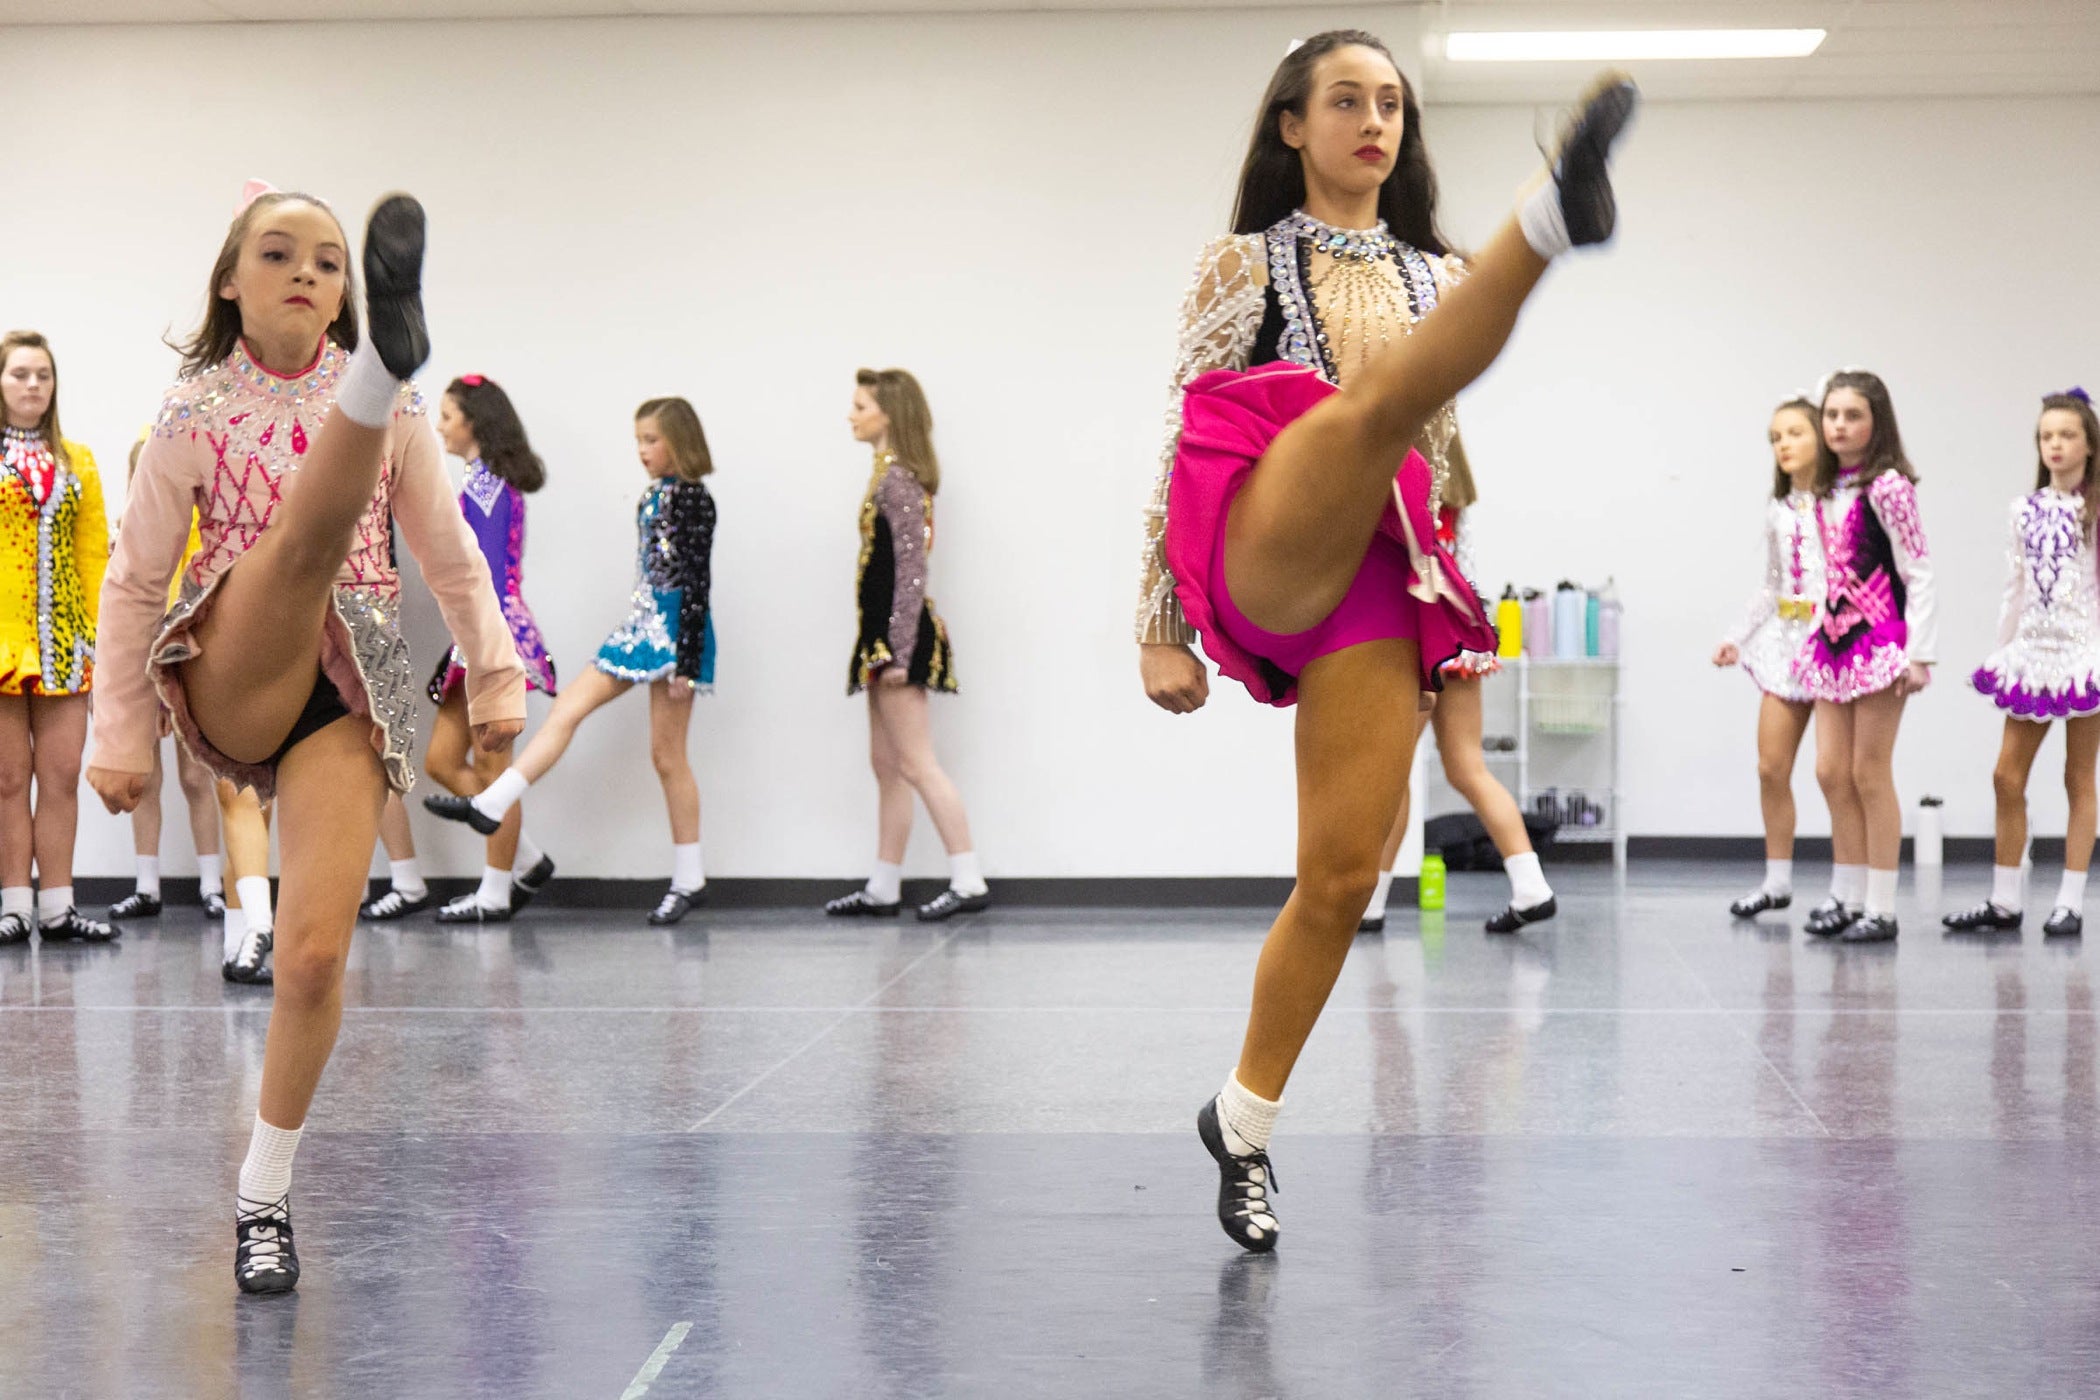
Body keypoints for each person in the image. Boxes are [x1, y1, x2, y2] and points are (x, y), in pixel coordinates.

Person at [1133, 32, 1635, 1251]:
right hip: (1261, 523)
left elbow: (1441, 457)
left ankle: (1241, 1124)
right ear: (1291, 127)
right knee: (1356, 411)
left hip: (1378, 565)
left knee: (1346, 872)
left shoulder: (1429, 275)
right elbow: (1176, 435)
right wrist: (1154, 619)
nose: (1375, 121)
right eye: (1346, 101)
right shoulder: (1243, 264)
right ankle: (1551, 223)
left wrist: (1447, 599)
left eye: (1392, 104)